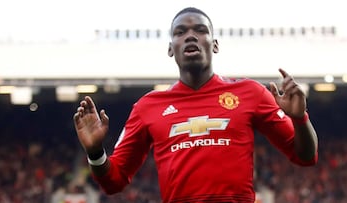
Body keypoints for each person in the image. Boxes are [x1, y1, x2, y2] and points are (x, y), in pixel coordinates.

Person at [73, 7, 318, 203]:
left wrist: (300, 119)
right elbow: (113, 182)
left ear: (215, 44)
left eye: (200, 30)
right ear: (171, 49)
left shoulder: (250, 93)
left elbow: (306, 156)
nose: (191, 35)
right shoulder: (147, 107)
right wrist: (95, 152)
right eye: (180, 32)